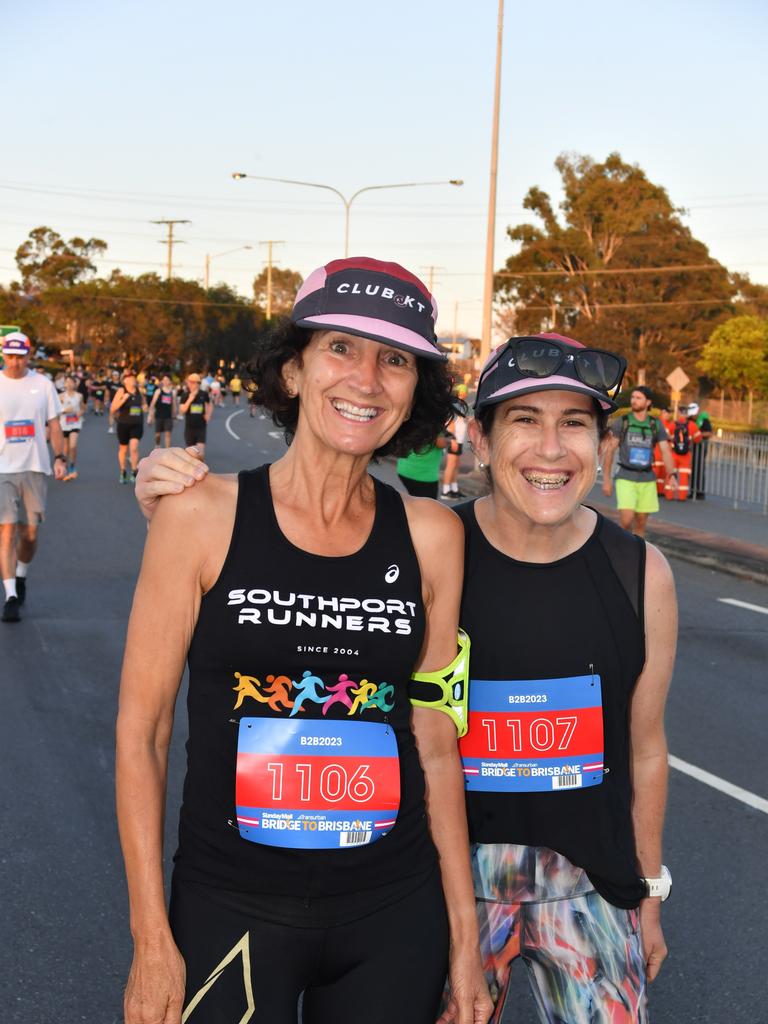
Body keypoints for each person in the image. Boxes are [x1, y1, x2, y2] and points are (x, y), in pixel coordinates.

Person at [122, 257, 490, 1024]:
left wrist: (463, 939)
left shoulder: (432, 537)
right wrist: (149, 936)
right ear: (292, 371)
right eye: (340, 349)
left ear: (415, 391)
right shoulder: (200, 515)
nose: (366, 379)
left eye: (395, 360)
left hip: (393, 911)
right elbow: (143, 731)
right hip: (230, 908)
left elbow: (436, 738)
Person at [456, 332, 676, 1022]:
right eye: (525, 420)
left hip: (590, 890)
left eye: (574, 424)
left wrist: (648, 896)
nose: (551, 450)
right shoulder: (432, 550)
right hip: (446, 888)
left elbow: (645, 749)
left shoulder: (641, 572)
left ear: (603, 450)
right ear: (482, 441)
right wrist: (184, 492)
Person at [0, 332, 66, 622]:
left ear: (29, 355)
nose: (15, 361)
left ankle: (21, 575)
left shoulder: (42, 385)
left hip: (36, 466)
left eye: (21, 356)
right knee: (7, 530)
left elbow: (54, 423)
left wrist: (60, 457)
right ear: (3, 355)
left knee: (30, 534)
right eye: (10, 356)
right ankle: (11, 595)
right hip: (3, 468)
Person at [601, 385, 677, 537]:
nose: (633, 400)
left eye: (638, 398)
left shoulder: (655, 425)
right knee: (627, 521)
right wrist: (606, 479)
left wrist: (672, 474)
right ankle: (624, 546)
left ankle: (636, 553)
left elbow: (665, 451)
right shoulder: (622, 422)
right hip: (625, 477)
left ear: (648, 402)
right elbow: (610, 450)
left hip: (647, 479)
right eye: (633, 397)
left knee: (641, 523)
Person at [111, 372, 147, 483]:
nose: (133, 380)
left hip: (137, 424)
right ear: (125, 381)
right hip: (123, 424)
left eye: (133, 378)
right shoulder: (121, 391)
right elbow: (113, 408)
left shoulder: (139, 392)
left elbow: (145, 405)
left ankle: (134, 471)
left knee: (134, 447)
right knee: (123, 449)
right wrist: (123, 399)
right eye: (130, 378)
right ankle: (123, 471)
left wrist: (145, 408)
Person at [177, 373, 213, 457]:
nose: (189, 384)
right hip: (190, 427)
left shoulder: (203, 394)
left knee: (200, 453)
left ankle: (203, 469)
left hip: (201, 426)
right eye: (189, 382)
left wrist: (208, 415)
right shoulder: (185, 395)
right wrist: (190, 399)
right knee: (191, 454)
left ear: (198, 383)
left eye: (192, 382)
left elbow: (210, 404)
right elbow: (182, 411)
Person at [59, 375, 84, 480]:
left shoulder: (79, 396)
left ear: (75, 384)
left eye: (71, 382)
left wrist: (80, 413)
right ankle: (64, 467)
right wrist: (64, 411)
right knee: (65, 448)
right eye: (67, 382)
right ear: (64, 384)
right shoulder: (61, 396)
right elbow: (55, 410)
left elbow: (83, 408)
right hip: (64, 424)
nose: (69, 384)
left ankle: (72, 466)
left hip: (75, 423)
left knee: (72, 446)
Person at [686, 402, 713, 499]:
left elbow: (708, 433)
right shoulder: (689, 420)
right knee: (691, 469)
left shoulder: (704, 420)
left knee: (700, 469)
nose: (693, 416)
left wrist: (697, 435)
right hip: (691, 448)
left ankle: (700, 492)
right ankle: (692, 490)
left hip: (701, 448)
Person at [148, 374, 177, 448]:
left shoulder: (172, 392)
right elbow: (152, 404)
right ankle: (157, 445)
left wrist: (175, 416)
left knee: (168, 434)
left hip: (168, 416)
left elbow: (173, 405)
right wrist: (150, 416)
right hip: (159, 415)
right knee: (157, 435)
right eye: (163, 380)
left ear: (170, 381)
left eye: (167, 380)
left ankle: (167, 451)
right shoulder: (158, 391)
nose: (165, 381)